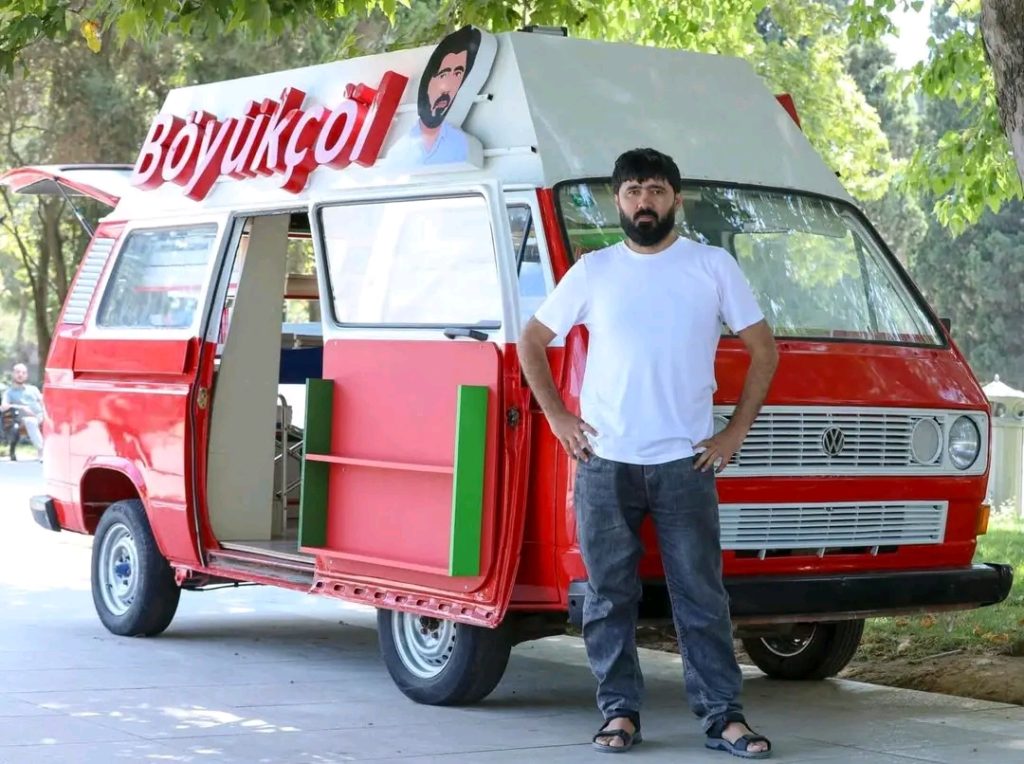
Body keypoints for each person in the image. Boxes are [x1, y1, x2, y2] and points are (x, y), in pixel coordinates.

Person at [517, 148, 778, 758]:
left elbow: (764, 351)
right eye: (633, 191)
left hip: (686, 463)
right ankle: (619, 715)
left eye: (656, 190)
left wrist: (734, 432)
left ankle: (724, 719)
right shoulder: (594, 270)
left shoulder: (711, 266)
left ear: (675, 200)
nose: (644, 202)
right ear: (618, 200)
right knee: (609, 597)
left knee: (701, 596)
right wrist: (558, 416)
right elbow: (533, 339)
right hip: (604, 462)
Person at [384, 26, 480, 167]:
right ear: (427, 80)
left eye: (458, 74)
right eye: (443, 75)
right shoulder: (399, 153)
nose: (447, 87)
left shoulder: (462, 146)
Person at [1, 363, 45, 456]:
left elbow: (43, 403)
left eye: (23, 373)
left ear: (26, 375)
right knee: (30, 421)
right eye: (18, 372)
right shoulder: (9, 393)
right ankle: (42, 450)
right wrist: (22, 407)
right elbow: (3, 407)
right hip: (23, 420)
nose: (20, 375)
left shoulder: (33, 389)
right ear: (13, 374)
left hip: (40, 416)